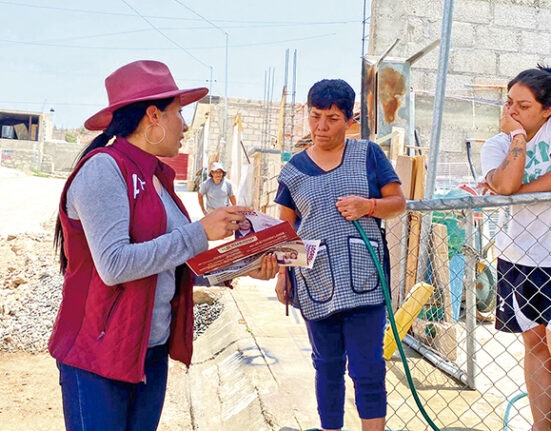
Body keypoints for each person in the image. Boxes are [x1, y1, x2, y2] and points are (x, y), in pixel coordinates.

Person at [48, 60, 278, 431]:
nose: (185, 125)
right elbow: (115, 265)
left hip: (147, 350)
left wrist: (244, 266)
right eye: (179, 113)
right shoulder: (104, 169)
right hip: (96, 354)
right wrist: (200, 231)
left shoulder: (156, 177)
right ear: (153, 116)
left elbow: (174, 263)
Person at [274, 79, 406, 431]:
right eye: (315, 116)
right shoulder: (293, 170)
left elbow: (398, 203)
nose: (321, 127)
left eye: (332, 118)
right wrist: (282, 275)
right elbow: (285, 229)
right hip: (315, 281)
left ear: (349, 121)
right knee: (327, 366)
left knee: (368, 367)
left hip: (364, 280)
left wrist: (369, 205)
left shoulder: (369, 155)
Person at [480, 65, 551, 431]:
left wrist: (513, 193)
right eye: (509, 103)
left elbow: (507, 189)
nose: (511, 111)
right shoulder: (498, 143)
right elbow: (503, 181)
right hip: (519, 257)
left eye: (523, 106)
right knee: (535, 346)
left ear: (547, 109)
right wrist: (519, 135)